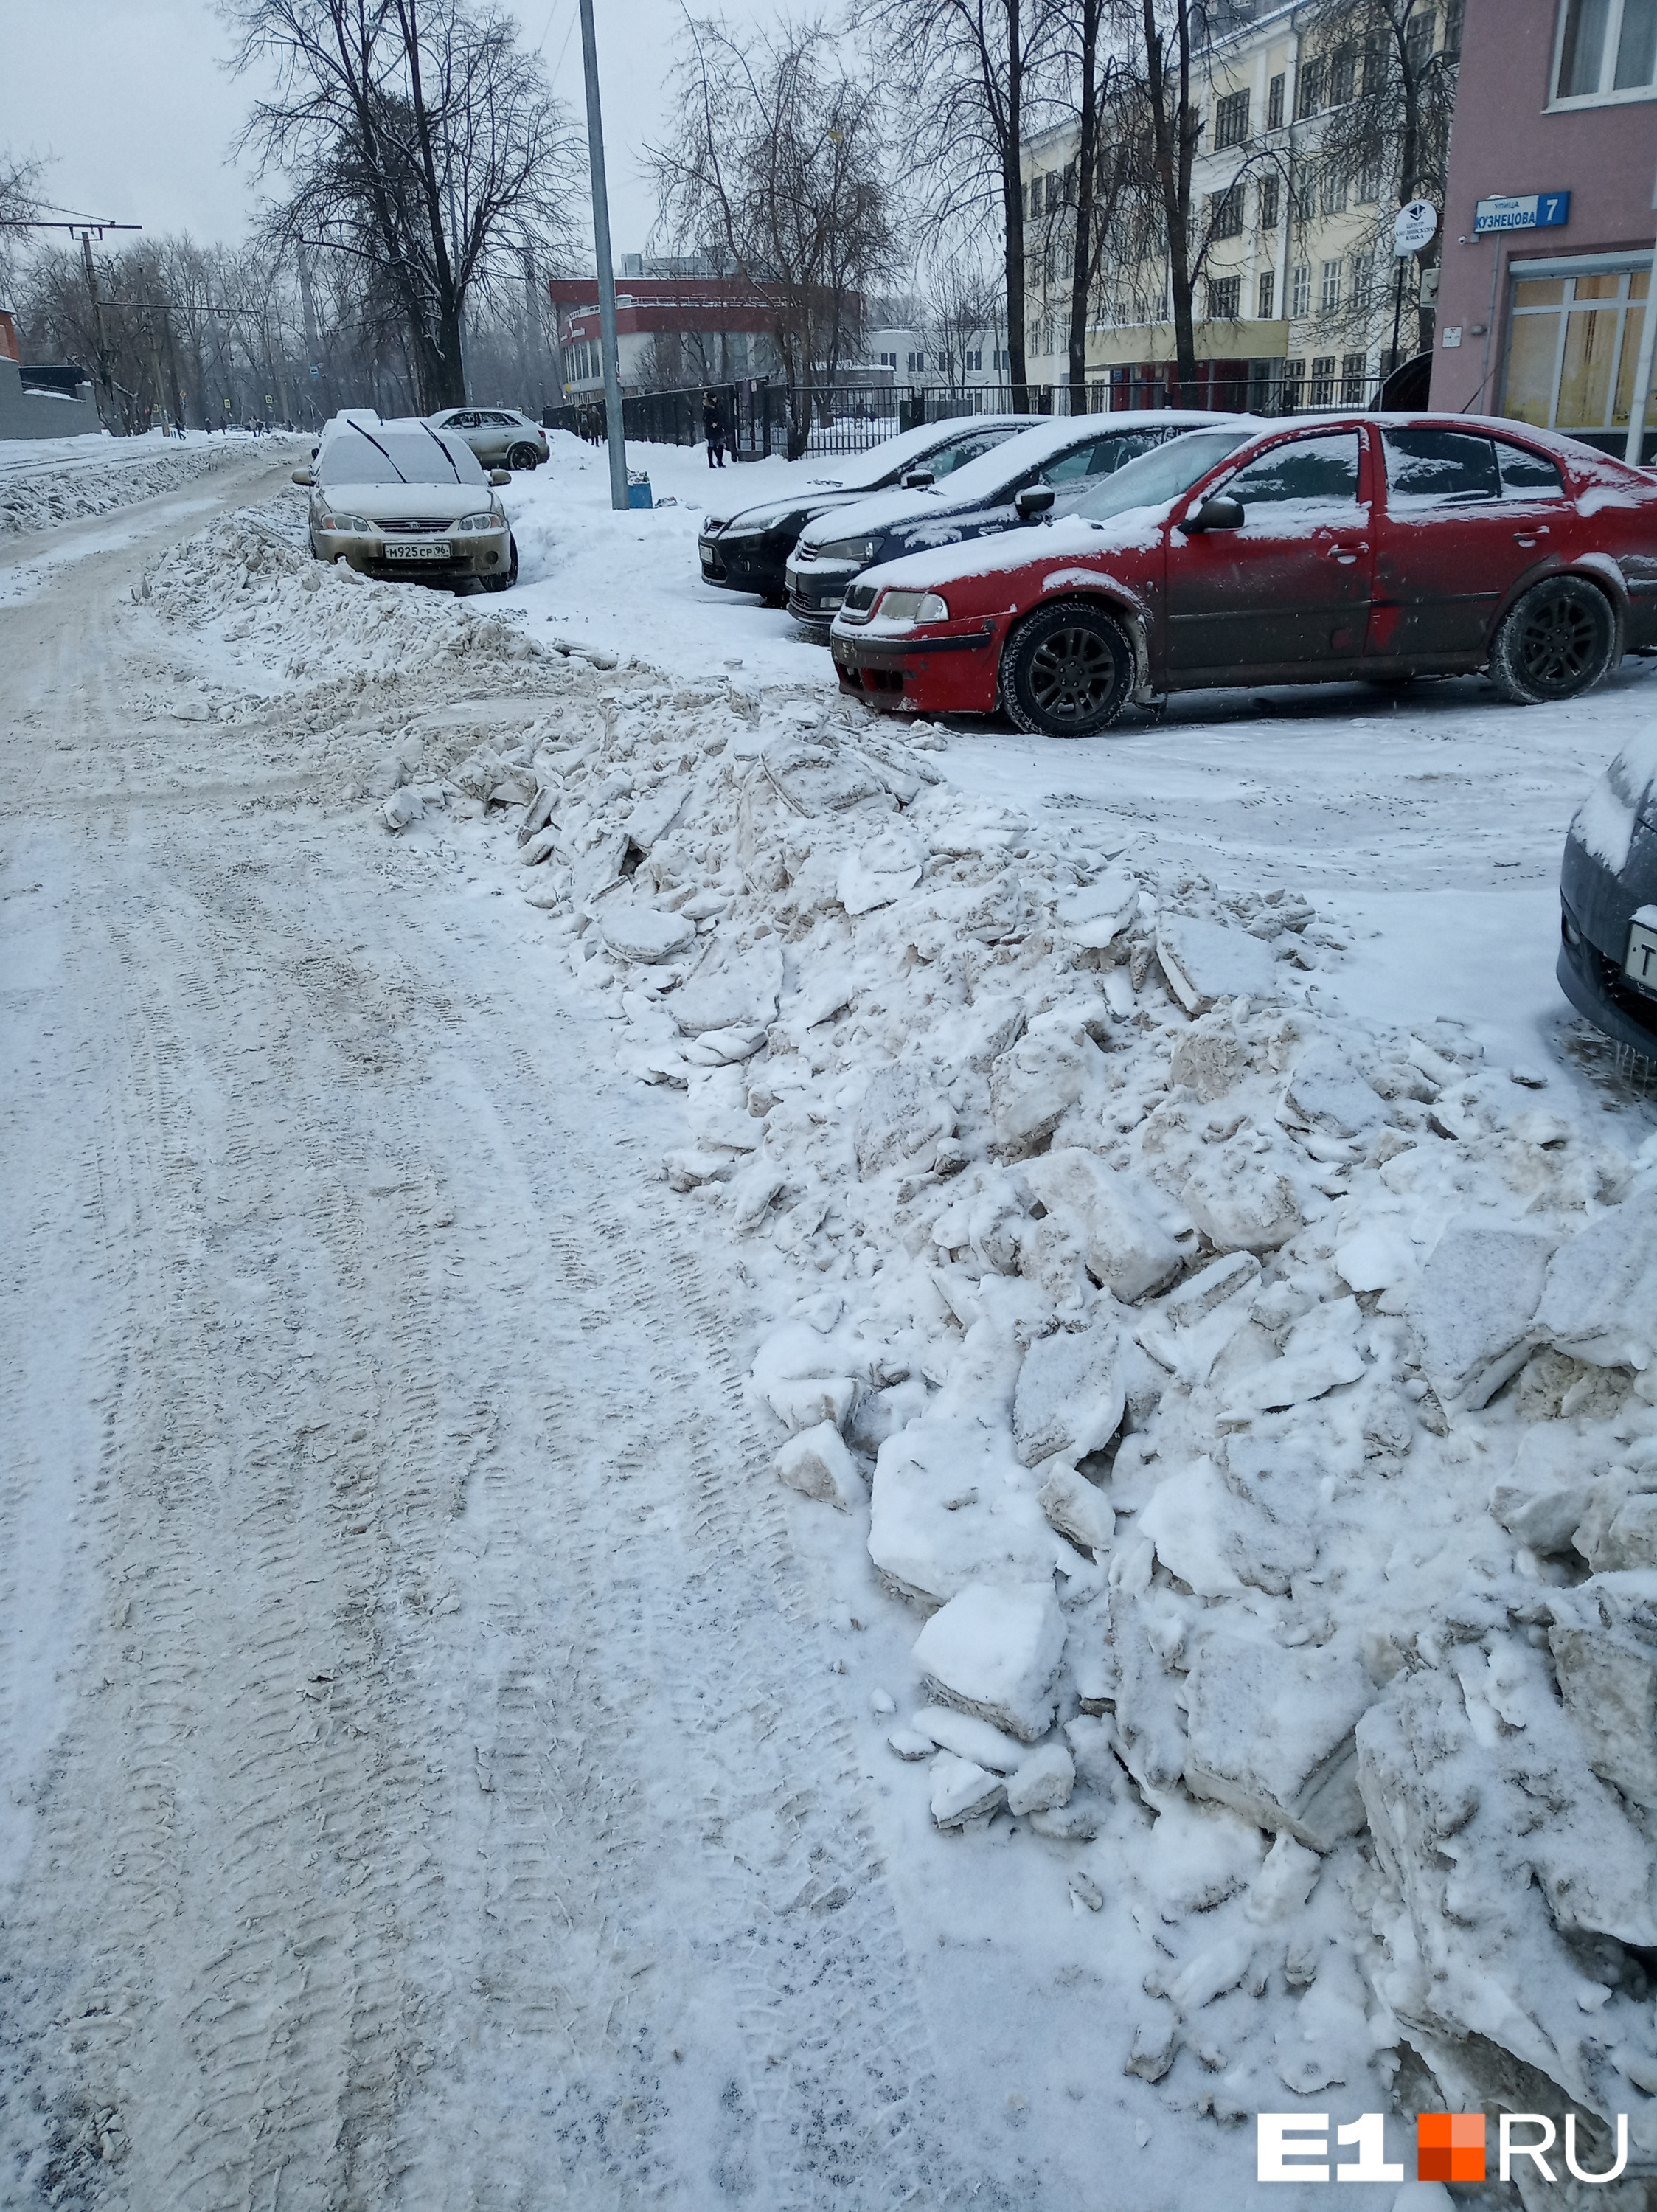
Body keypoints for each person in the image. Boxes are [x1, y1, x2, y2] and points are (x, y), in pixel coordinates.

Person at [702, 389, 726, 468]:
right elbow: (705, 418)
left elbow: (720, 417)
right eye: (714, 398)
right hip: (711, 430)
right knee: (712, 445)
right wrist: (711, 423)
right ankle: (711, 463)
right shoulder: (707, 408)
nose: (716, 399)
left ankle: (720, 461)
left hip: (718, 428)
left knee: (721, 444)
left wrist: (720, 425)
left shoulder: (717, 407)